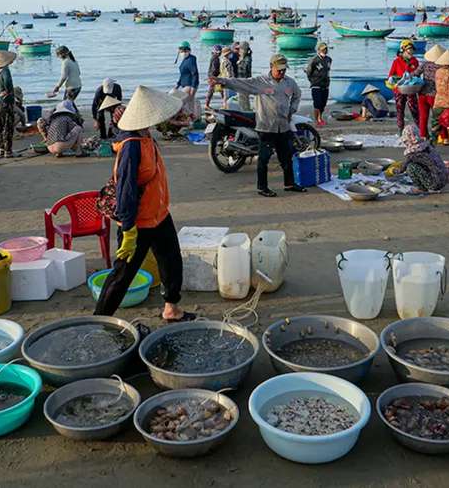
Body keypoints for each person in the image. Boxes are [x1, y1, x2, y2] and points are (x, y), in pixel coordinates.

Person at [94, 86, 193, 322]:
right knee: (123, 273)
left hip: (159, 214)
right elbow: (125, 188)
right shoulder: (131, 146)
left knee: (171, 261)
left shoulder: (145, 137)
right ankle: (98, 320)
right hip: (138, 221)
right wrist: (128, 229)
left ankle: (171, 307)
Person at [217, 53, 304, 197]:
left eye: (284, 70)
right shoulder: (261, 81)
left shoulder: (289, 82)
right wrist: (221, 80)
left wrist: (292, 110)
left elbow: (297, 95)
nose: (282, 73)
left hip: (283, 126)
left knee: (286, 157)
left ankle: (289, 184)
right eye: (279, 70)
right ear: (271, 67)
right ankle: (262, 188)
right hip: (266, 127)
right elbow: (241, 83)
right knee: (264, 159)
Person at [399, 124, 449, 192]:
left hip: (435, 183)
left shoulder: (414, 152)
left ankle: (421, 188)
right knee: (416, 165)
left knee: (410, 168)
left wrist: (394, 171)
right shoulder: (426, 145)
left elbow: (402, 169)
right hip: (444, 180)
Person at [388, 41, 420, 131]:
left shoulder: (415, 61)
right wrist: (393, 80)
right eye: (409, 51)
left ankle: (421, 130)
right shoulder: (396, 61)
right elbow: (390, 75)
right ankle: (400, 130)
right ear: (403, 51)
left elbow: (417, 76)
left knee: (415, 111)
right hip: (399, 90)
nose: (411, 53)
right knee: (400, 111)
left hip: (411, 89)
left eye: (412, 51)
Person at [417, 44, 445, 138]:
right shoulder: (442, 67)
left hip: (422, 94)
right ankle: (443, 136)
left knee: (423, 116)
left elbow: (414, 74)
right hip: (435, 95)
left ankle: (423, 135)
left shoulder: (425, 64)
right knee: (439, 117)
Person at [305, 42, 332, 126]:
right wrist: (312, 81)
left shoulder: (329, 59)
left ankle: (321, 117)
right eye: (323, 49)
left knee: (323, 103)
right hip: (316, 84)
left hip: (325, 85)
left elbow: (327, 70)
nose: (325, 50)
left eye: (326, 49)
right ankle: (318, 120)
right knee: (317, 103)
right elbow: (309, 72)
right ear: (319, 50)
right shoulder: (314, 60)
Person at [174, 41, 200, 119]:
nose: (184, 52)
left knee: (181, 103)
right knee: (189, 104)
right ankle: (192, 118)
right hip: (185, 85)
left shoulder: (191, 59)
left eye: (185, 50)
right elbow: (183, 75)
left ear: (189, 50)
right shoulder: (185, 60)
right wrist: (177, 85)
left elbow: (195, 73)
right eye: (182, 51)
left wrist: (193, 87)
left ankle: (190, 118)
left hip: (190, 85)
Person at [205, 45, 224, 110]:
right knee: (219, 90)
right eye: (220, 52)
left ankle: (207, 105)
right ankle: (225, 103)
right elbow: (214, 69)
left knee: (214, 91)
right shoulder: (215, 58)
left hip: (212, 76)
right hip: (214, 77)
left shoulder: (213, 57)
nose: (220, 53)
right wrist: (215, 76)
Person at [236, 40, 254, 111]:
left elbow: (245, 71)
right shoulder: (244, 57)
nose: (239, 50)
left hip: (244, 82)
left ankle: (246, 112)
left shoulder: (247, 59)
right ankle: (246, 110)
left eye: (240, 49)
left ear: (244, 49)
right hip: (241, 81)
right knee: (243, 99)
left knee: (243, 99)